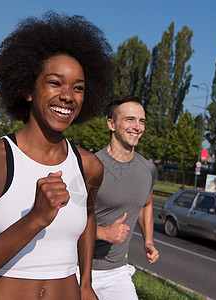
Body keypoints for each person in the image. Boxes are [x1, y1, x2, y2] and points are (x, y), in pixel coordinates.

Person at [0, 11, 112, 299]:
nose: (68, 96)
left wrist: (86, 284)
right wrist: (36, 218)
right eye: (55, 82)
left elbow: (87, 216)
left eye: (78, 88)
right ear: (28, 89)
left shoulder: (89, 166)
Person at [90, 95, 160, 299]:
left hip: (117, 271)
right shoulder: (91, 166)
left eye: (142, 121)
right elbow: (64, 219)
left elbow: (146, 204)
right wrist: (102, 232)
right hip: (76, 266)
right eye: (130, 119)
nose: (137, 126)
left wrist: (148, 241)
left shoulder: (148, 169)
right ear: (111, 124)